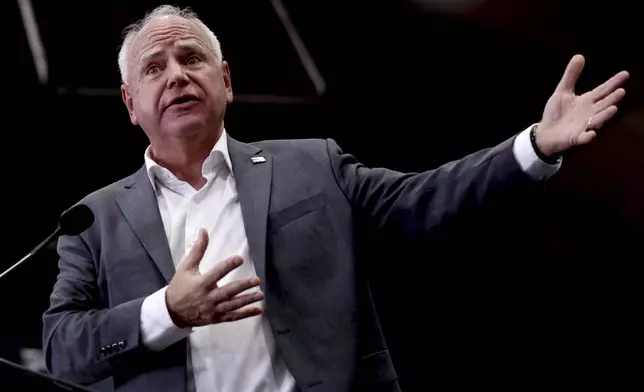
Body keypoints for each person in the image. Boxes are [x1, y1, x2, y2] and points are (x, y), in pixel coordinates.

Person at [42, 5, 629, 392]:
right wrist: (166, 311)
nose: (176, 74)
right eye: (155, 67)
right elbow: (63, 350)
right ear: (129, 102)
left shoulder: (313, 164)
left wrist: (534, 147)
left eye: (192, 58)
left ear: (226, 80)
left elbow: (427, 198)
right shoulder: (93, 218)